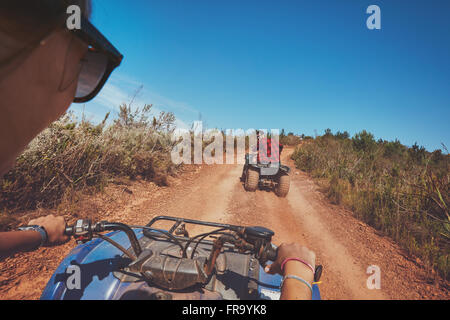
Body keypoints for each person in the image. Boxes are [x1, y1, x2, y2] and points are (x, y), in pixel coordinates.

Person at [0, 1, 317, 300]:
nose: (68, 99)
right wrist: (300, 274)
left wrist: (38, 235)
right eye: (83, 62)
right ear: (42, 54)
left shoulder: (269, 154)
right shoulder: (259, 154)